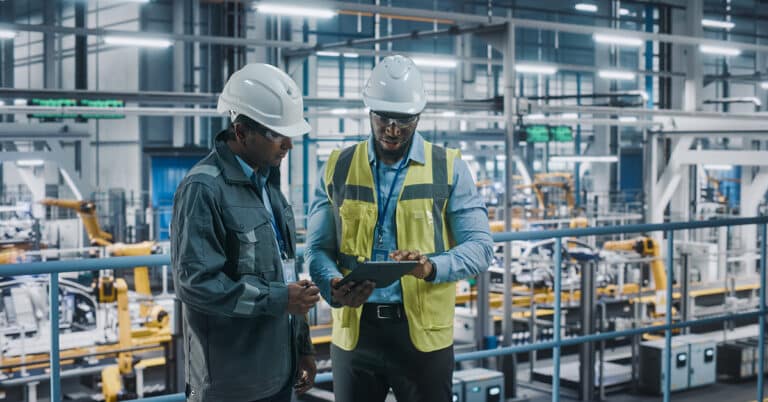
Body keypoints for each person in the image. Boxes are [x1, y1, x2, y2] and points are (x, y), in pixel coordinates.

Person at [306, 55, 494, 402]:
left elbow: (481, 247)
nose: (393, 129)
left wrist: (431, 266)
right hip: (355, 332)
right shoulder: (339, 166)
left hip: (422, 335)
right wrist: (331, 283)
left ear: (419, 115)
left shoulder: (448, 167)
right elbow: (318, 248)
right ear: (369, 112)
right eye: (384, 118)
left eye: (404, 120)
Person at [171, 63, 320, 402]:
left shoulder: (269, 185)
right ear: (241, 133)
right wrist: (280, 299)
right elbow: (196, 284)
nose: (289, 146)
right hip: (230, 384)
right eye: (277, 135)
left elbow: (286, 272)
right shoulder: (203, 189)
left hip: (278, 372)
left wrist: (302, 346)